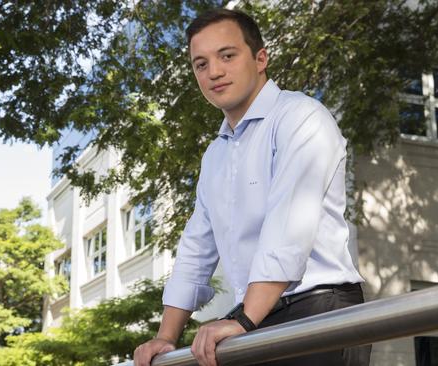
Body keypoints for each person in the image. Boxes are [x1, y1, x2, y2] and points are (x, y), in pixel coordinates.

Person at [133, 8, 370, 366]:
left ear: (261, 59)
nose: (213, 72)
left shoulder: (301, 117)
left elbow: (289, 226)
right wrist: (166, 337)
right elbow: (196, 250)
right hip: (255, 318)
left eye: (227, 56)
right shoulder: (216, 154)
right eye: (200, 64)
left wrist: (243, 318)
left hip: (317, 310)